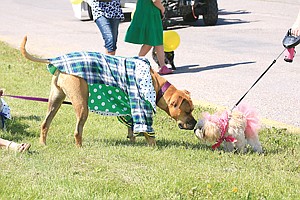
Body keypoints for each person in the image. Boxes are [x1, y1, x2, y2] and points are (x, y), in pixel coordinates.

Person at [125, 0, 173, 75]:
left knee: (152, 40)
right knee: (155, 39)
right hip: (151, 12)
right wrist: (162, 9)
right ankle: (138, 62)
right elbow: (155, 1)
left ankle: (161, 65)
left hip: (145, 11)